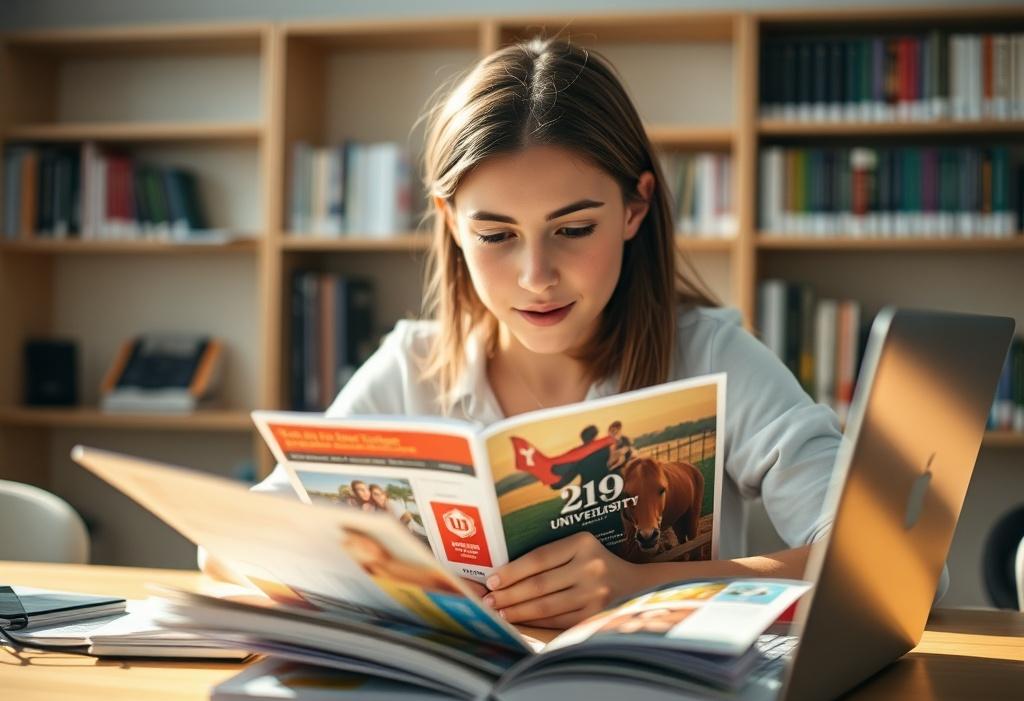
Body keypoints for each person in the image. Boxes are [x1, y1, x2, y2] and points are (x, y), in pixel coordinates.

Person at [207, 37, 942, 627]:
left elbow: (901, 567)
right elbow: (232, 549)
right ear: (450, 224)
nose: (536, 275)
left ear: (634, 208)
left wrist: (646, 587)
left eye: (573, 228)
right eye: (495, 234)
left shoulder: (712, 355)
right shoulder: (411, 367)